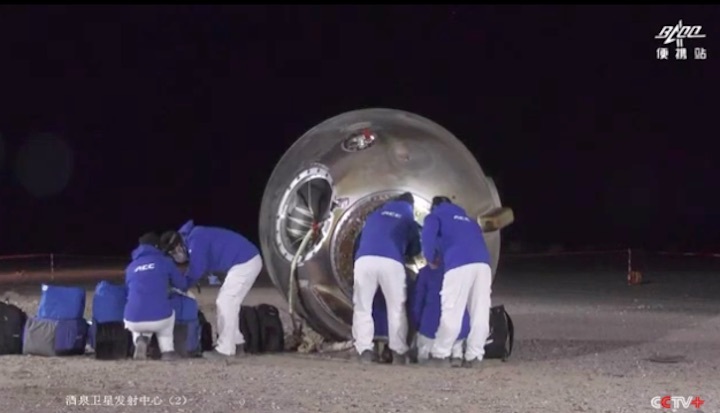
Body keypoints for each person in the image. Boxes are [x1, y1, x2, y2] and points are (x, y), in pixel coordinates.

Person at [161, 220, 262, 359]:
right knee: (229, 304)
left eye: (174, 252)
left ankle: (226, 350)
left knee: (225, 302)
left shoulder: (196, 239)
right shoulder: (193, 238)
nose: (175, 255)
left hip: (245, 261)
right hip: (244, 260)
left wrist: (181, 285)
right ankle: (237, 345)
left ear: (179, 245)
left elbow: (196, 270)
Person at [422, 196, 492, 368]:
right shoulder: (469, 220)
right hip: (483, 265)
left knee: (452, 310)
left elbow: (427, 239)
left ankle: (441, 354)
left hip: (459, 264)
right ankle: (474, 356)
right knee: (480, 311)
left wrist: (431, 259)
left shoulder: (435, 216)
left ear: (434, 206)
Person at [352, 192, 421, 365]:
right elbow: (416, 248)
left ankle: (364, 350)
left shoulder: (374, 215)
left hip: (364, 261)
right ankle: (398, 351)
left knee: (362, 307)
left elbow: (359, 240)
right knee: (396, 308)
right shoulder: (408, 218)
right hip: (391, 262)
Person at [124, 232, 188, 361]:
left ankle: (140, 339)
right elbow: (182, 285)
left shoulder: (130, 267)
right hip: (159, 320)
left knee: (142, 309)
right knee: (166, 320)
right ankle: (167, 351)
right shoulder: (165, 262)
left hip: (132, 320)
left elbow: (129, 291)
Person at [411, 261, 471, 367]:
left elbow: (417, 304)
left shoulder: (425, 273)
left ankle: (431, 355)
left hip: (430, 329)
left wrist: (416, 325)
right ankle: (456, 354)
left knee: (423, 354)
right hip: (459, 331)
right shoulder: (462, 271)